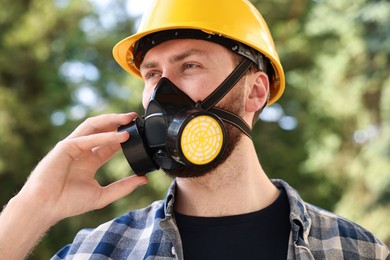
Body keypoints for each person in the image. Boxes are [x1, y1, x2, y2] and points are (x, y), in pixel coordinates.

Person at [0, 0, 389, 259]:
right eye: (152, 74)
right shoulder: (102, 250)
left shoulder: (354, 249)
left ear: (255, 91)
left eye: (190, 66)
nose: (161, 93)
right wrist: (35, 206)